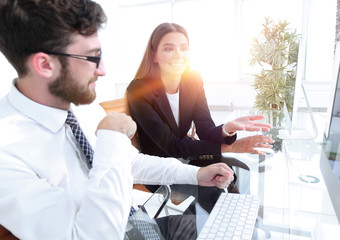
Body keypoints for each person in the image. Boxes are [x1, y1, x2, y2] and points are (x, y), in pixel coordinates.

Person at [0, 1, 234, 239]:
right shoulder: (6, 152)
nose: (102, 69)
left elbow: (132, 163)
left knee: (226, 227)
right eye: (92, 58)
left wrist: (195, 174)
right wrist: (111, 138)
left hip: (138, 222)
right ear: (45, 64)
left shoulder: (80, 107)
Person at [127, 22, 274, 163]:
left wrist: (227, 128)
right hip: (160, 169)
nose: (179, 55)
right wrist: (232, 148)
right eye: (168, 49)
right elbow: (171, 146)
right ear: (154, 55)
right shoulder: (139, 90)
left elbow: (205, 129)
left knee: (228, 176)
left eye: (184, 48)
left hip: (188, 157)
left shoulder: (193, 80)